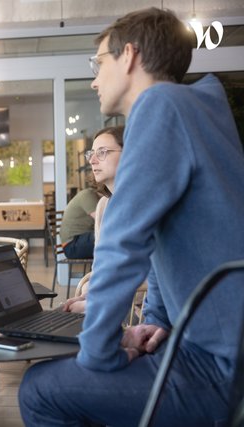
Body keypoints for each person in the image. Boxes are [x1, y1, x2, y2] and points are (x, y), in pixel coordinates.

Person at [19, 7, 244, 426]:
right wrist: (155, 321)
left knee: (40, 389)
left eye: (98, 63)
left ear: (130, 55)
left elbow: (124, 243)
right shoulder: (197, 110)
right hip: (217, 349)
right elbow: (159, 244)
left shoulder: (160, 105)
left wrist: (99, 349)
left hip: (214, 368)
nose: (93, 78)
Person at [62, 125, 124, 313]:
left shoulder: (146, 203)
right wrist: (88, 293)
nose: (93, 160)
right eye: (92, 153)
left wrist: (96, 302)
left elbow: (151, 275)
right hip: (111, 304)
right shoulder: (104, 205)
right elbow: (101, 265)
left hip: (142, 312)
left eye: (103, 152)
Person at [60, 186, 100, 259]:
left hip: (79, 240)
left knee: (112, 237)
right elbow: (102, 220)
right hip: (72, 245)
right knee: (110, 237)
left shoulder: (97, 197)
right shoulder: (88, 195)